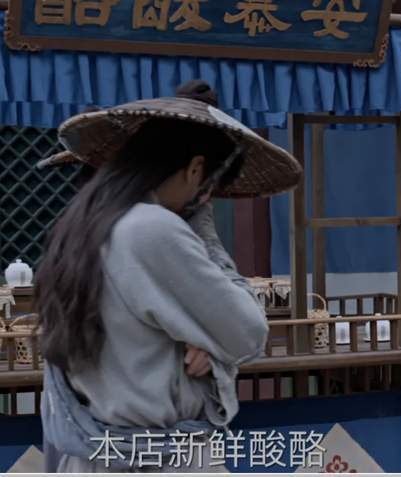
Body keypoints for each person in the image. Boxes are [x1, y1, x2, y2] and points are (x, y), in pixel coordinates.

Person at [33, 81, 302, 472]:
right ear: (195, 169)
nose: (204, 200)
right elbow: (248, 332)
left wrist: (207, 342)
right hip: (160, 459)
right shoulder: (151, 228)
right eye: (210, 189)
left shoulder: (80, 227)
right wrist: (207, 237)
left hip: (97, 454)